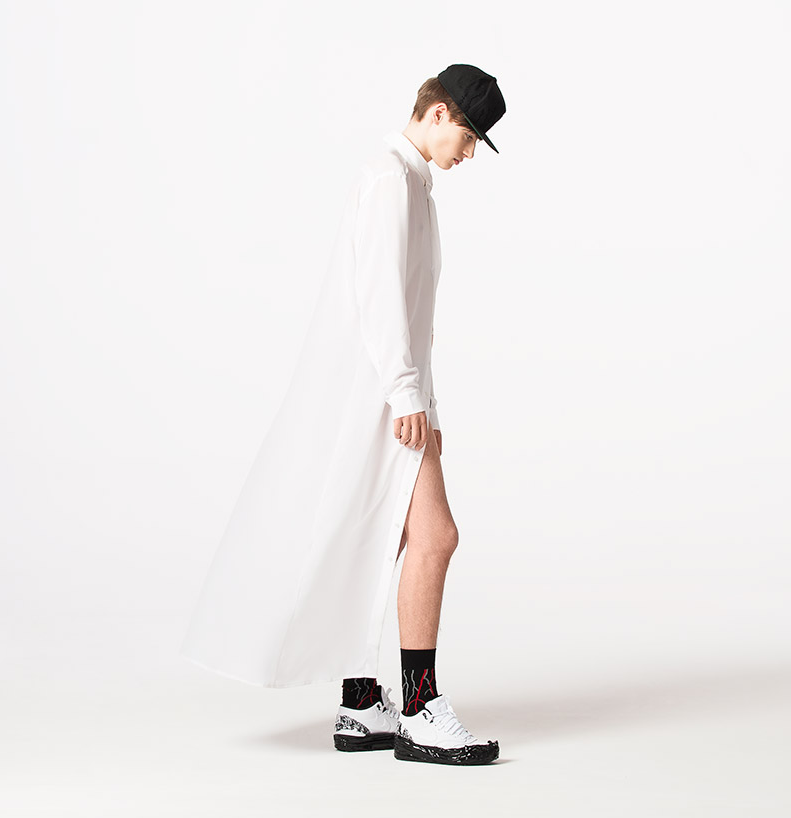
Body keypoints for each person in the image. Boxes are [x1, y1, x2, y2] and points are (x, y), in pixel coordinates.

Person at [180, 63, 506, 767]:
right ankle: (417, 709)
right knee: (434, 536)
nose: (471, 153)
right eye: (471, 135)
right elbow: (379, 296)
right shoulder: (390, 178)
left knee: (378, 537)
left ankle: (362, 703)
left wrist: (426, 400)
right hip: (380, 399)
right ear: (440, 113)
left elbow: (414, 315)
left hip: (392, 397)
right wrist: (408, 394)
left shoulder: (412, 183)